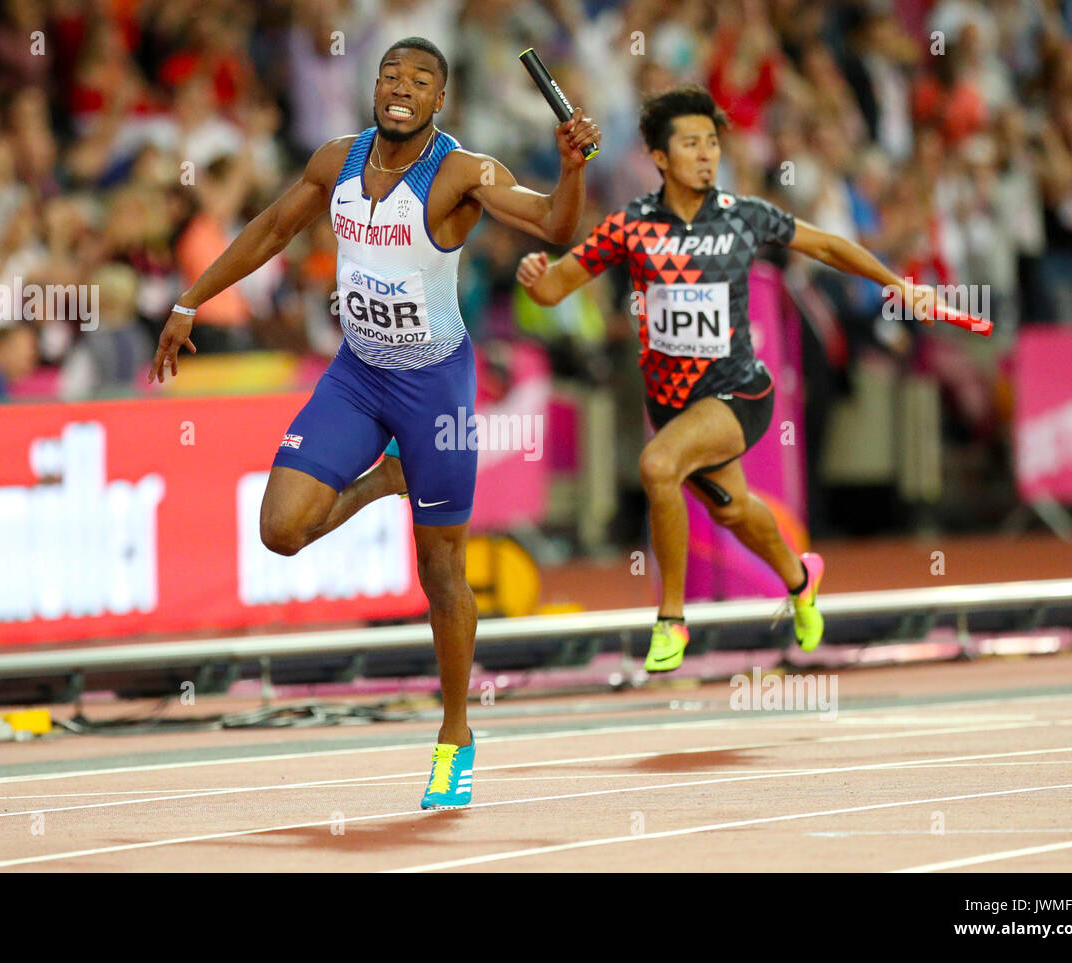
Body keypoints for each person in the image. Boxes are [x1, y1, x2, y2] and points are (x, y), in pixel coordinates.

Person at [149, 37, 600, 810]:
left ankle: (455, 733)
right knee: (281, 528)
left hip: (435, 387)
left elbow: (555, 226)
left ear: (440, 102)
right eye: (391, 74)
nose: (401, 86)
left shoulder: (461, 172)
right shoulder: (336, 159)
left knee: (442, 575)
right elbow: (269, 229)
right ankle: (388, 479)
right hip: (357, 377)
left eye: (421, 80)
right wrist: (189, 301)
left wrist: (572, 166)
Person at [512, 86, 946, 671]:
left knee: (657, 467)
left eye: (712, 143)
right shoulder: (630, 227)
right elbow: (553, 287)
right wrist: (533, 271)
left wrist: (897, 283)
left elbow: (829, 246)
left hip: (739, 392)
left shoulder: (744, 216)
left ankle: (670, 620)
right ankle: (800, 577)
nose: (706, 154)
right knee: (733, 509)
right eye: (690, 144)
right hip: (672, 406)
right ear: (660, 158)